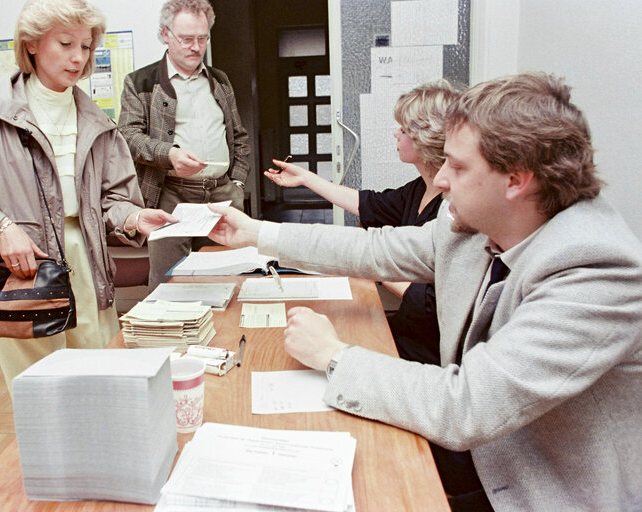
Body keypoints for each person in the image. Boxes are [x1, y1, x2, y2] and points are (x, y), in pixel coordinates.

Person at [207, 73, 642, 511]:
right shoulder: (477, 223)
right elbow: (376, 249)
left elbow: (468, 405)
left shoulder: (595, 271)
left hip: (536, 490)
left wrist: (334, 356)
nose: (443, 180)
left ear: (516, 179)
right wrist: (257, 233)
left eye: (458, 166)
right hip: (481, 454)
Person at [0, 0, 176, 393]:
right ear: (31, 44)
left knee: (102, 383)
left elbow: (112, 201)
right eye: (65, 43)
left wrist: (135, 218)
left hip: (87, 265)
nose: (78, 57)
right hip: (21, 272)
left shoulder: (99, 123)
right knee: (42, 395)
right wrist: (0, 227)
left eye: (85, 47)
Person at [266, 81, 460, 365]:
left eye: (403, 129)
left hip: (428, 348)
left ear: (425, 138)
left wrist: (375, 267)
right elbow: (367, 203)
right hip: (407, 329)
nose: (396, 133)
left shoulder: (454, 208)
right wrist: (306, 178)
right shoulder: (420, 188)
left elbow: (430, 301)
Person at [117, 0, 252, 291]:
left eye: (202, 38)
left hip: (222, 194)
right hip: (171, 196)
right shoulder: (140, 82)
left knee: (229, 279)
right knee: (169, 284)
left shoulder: (220, 81)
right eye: (187, 39)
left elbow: (239, 137)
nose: (196, 46)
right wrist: (170, 154)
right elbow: (127, 135)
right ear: (165, 34)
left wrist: (238, 184)